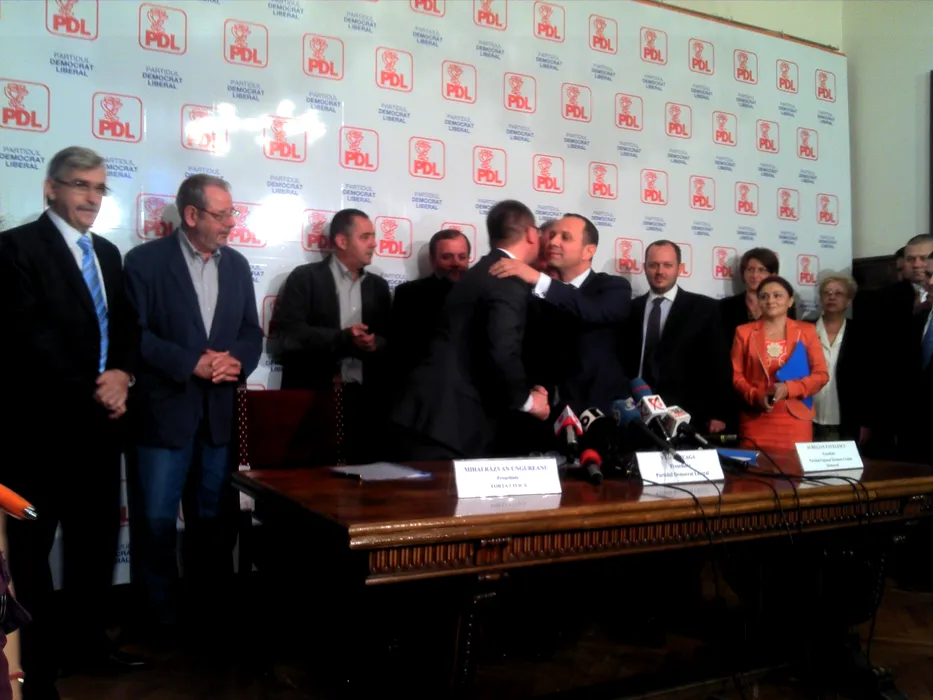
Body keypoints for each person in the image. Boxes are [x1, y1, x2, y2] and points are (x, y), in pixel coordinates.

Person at [0, 146, 143, 700]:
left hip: (102, 433)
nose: (91, 197)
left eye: (99, 187)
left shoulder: (106, 252)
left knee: (95, 546)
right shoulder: (15, 248)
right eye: (80, 184)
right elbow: (27, 338)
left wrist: (124, 374)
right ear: (51, 188)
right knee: (32, 552)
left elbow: (126, 326)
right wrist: (98, 387)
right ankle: (38, 669)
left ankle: (89, 644)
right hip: (38, 435)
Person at [124, 174, 263, 645]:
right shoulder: (145, 262)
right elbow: (136, 336)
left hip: (217, 419)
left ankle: (210, 615)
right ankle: (159, 622)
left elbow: (251, 332)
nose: (231, 223)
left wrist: (236, 360)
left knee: (213, 522)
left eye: (231, 213)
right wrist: (191, 363)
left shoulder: (237, 265)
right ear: (191, 215)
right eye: (222, 215)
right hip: (163, 416)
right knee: (156, 523)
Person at [391, 199, 549, 459]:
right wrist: (529, 401)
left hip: (435, 415)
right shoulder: (506, 277)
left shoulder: (483, 270)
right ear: (532, 234)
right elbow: (502, 349)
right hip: (446, 421)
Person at [268, 208, 392, 463]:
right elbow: (288, 336)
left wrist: (373, 344)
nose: (374, 243)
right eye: (365, 237)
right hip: (313, 400)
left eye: (373, 236)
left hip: (363, 403)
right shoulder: (305, 278)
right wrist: (343, 338)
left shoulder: (378, 286)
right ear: (342, 241)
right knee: (309, 477)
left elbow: (389, 338)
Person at [488, 213, 632, 415]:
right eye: (552, 235)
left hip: (599, 413)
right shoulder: (536, 295)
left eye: (565, 237)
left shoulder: (613, 287)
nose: (553, 242)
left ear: (588, 251)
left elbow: (590, 310)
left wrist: (538, 279)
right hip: (545, 415)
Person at [621, 240, 731, 433]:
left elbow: (719, 364)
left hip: (686, 414)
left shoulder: (704, 309)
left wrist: (719, 413)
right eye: (653, 265)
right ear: (645, 267)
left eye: (667, 265)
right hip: (636, 412)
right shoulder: (630, 309)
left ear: (680, 268)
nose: (660, 271)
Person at [731, 276, 829, 453]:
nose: (770, 301)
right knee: (755, 469)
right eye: (764, 296)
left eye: (777, 295)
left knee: (794, 469)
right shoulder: (743, 332)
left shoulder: (807, 331)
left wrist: (789, 388)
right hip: (756, 416)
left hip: (796, 419)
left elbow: (821, 375)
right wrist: (756, 396)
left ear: (790, 301)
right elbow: (736, 375)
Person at [390, 228, 471, 385]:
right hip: (421, 386)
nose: (456, 263)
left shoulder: (482, 294)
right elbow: (398, 352)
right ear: (432, 260)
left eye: (462, 257)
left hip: (469, 390)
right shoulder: (408, 295)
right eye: (447, 257)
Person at [810, 275, 866, 442]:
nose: (832, 297)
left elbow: (869, 381)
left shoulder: (861, 334)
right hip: (807, 418)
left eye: (838, 293)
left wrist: (865, 422)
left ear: (848, 301)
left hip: (847, 421)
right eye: (827, 293)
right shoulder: (804, 330)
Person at [720, 247, 796, 347]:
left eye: (761, 270)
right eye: (750, 269)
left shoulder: (783, 306)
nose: (755, 275)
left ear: (773, 275)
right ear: (743, 273)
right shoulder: (725, 306)